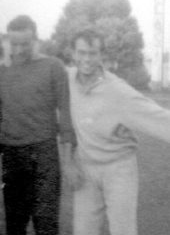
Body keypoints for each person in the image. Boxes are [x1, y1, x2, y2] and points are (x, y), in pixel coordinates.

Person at [67, 28, 170, 235]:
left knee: (123, 231)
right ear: (73, 53)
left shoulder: (118, 91)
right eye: (82, 52)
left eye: (93, 53)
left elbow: (159, 119)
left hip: (118, 169)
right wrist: (68, 161)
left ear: (101, 55)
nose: (86, 59)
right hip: (85, 168)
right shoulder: (66, 79)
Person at [0, 15, 76, 235]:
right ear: (8, 41)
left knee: (46, 224)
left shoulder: (53, 67)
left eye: (24, 44)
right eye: (14, 44)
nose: (18, 50)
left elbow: (66, 116)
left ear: (35, 40)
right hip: (13, 157)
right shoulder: (0, 73)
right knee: (15, 225)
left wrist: (67, 162)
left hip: (44, 155)